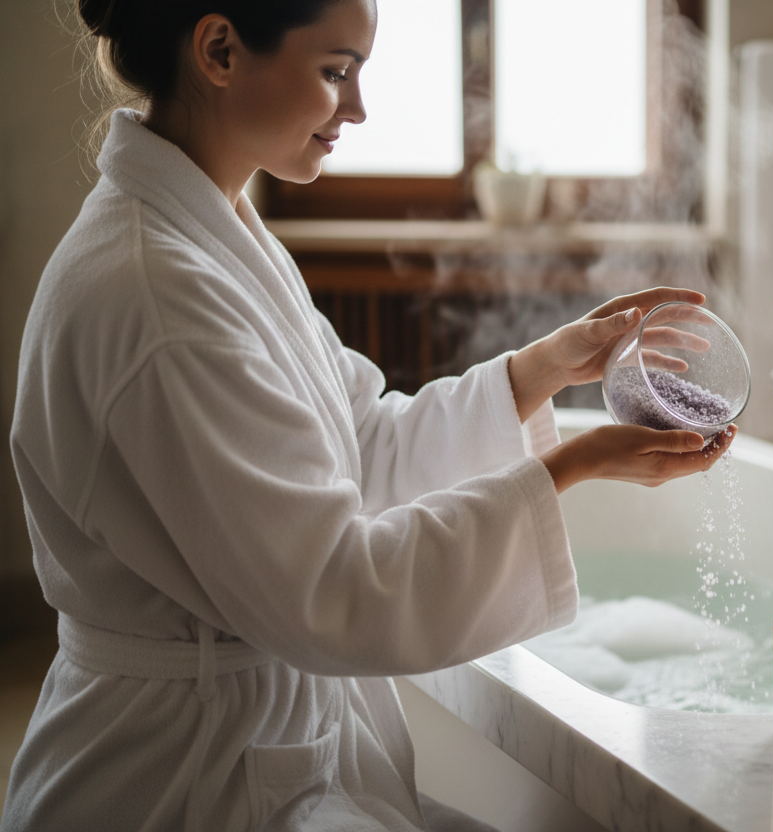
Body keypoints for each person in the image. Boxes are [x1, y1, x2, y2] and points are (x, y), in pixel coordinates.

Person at [2, 1, 734, 829]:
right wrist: (574, 464)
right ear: (218, 50)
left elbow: (357, 443)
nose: (357, 108)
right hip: (181, 780)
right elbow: (334, 590)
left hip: (259, 738)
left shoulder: (215, 235)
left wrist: (540, 370)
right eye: (335, 71)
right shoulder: (157, 295)